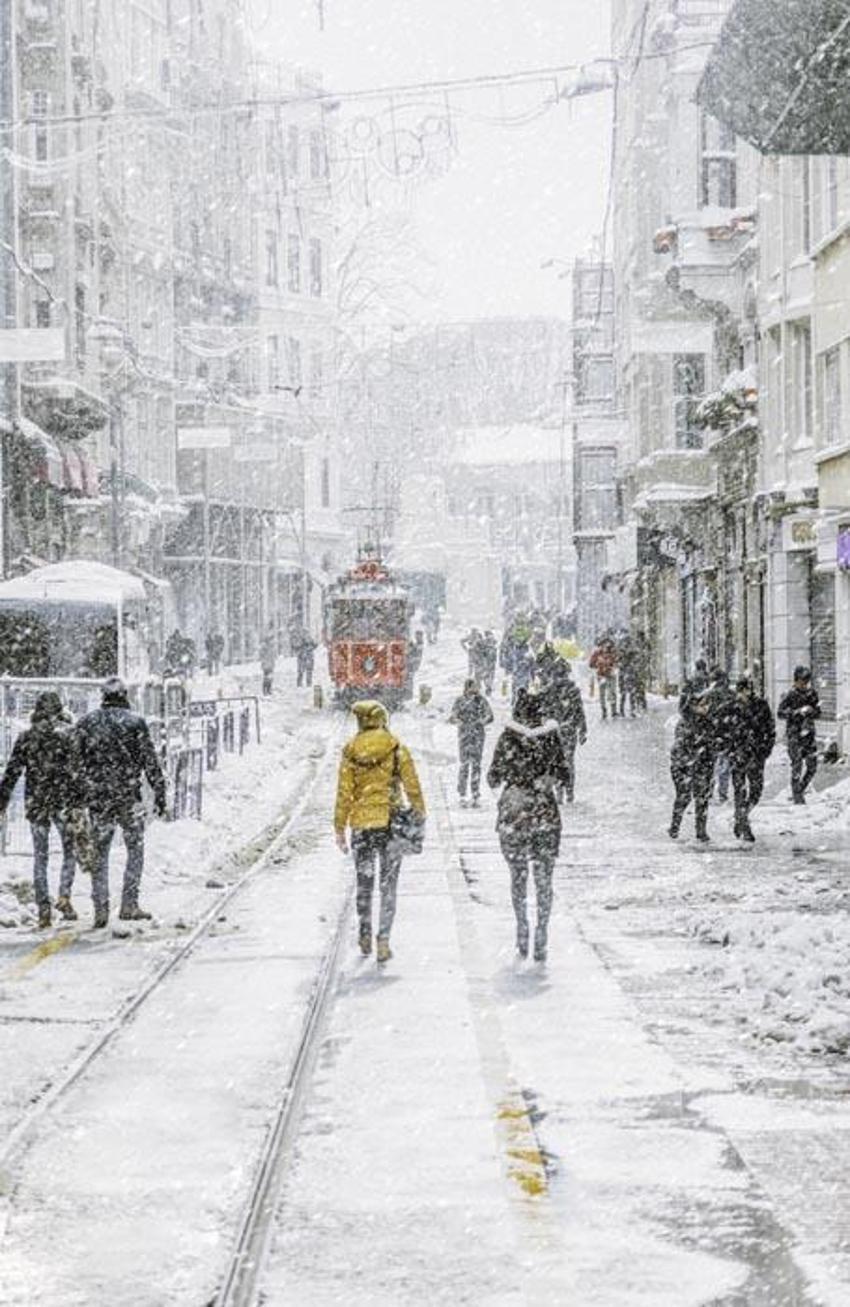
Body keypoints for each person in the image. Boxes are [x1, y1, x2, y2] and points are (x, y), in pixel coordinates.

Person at [334, 700, 425, 964]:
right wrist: (419, 813)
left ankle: (364, 933)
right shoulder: (396, 747)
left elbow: (344, 793)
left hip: (362, 826)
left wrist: (340, 827)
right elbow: (412, 784)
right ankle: (383, 940)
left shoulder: (350, 750)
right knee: (388, 885)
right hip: (390, 824)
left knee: (364, 884)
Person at [73, 678, 167, 928]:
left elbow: (75, 763)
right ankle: (129, 902)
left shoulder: (86, 723)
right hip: (128, 795)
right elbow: (149, 761)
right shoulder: (135, 722)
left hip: (98, 798)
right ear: (124, 695)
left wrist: (78, 793)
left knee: (100, 851)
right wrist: (159, 791)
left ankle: (100, 906)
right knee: (135, 847)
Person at [488, 689, 569, 963]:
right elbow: (565, 775)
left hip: (515, 814)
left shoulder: (508, 738)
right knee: (545, 878)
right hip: (544, 813)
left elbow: (492, 777)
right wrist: (545, 778)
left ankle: (521, 925)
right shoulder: (550, 738)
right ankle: (542, 930)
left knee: (518, 876)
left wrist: (512, 775)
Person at [0, 692, 78, 929]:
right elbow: (77, 771)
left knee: (40, 856)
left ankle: (43, 907)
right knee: (70, 849)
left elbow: (12, 771)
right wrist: (79, 798)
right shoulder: (66, 737)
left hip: (36, 802)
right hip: (62, 801)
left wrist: (2, 800)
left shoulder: (27, 738)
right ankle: (64, 895)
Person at [728, 677, 775, 842]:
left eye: (746, 690)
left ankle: (741, 815)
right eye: (741, 690)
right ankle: (744, 824)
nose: (744, 694)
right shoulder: (732, 707)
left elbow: (769, 728)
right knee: (739, 791)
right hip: (738, 755)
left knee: (756, 790)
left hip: (756, 754)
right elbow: (724, 731)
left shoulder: (760, 705)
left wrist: (766, 749)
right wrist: (731, 750)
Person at [669, 691, 716, 843]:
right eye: (702, 705)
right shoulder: (685, 723)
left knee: (702, 799)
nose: (706, 708)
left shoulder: (708, 722)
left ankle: (701, 831)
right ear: (694, 706)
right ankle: (675, 827)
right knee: (684, 797)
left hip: (702, 766)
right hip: (684, 766)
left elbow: (712, 744)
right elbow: (682, 746)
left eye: (707, 704)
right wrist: (691, 761)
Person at [538, 655, 587, 803]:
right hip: (568, 729)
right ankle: (569, 790)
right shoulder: (573, 690)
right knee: (568, 761)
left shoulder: (548, 691)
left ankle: (559, 790)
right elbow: (580, 711)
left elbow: (541, 712)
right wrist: (582, 730)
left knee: (554, 761)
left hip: (554, 731)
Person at [778, 666, 821, 804]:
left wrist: (811, 711)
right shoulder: (790, 695)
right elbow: (780, 713)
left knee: (812, 766)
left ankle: (800, 789)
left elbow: (818, 712)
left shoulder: (812, 694)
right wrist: (797, 712)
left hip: (809, 735)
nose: (804, 685)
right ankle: (797, 796)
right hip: (794, 734)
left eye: (806, 682)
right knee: (797, 765)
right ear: (796, 681)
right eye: (802, 681)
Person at [449, 679, 494, 807]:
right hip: (464, 736)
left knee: (476, 765)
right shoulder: (460, 701)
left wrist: (481, 722)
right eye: (473, 687)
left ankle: (475, 793)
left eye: (476, 687)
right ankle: (462, 793)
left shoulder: (481, 701)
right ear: (467, 688)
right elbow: (453, 717)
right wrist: (461, 723)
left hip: (478, 736)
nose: (475, 689)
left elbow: (490, 716)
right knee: (464, 765)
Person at [707, 668, 736, 803]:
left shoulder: (710, 694)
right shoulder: (731, 694)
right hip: (727, 734)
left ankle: (709, 791)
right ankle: (722, 793)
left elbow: (706, 714)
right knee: (725, 765)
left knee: (711, 764)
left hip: (713, 733)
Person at [589, 636, 618, 720]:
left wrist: (613, 667)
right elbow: (591, 664)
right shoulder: (597, 653)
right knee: (602, 694)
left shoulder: (613, 653)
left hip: (611, 675)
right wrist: (598, 666)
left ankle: (613, 711)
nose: (606, 646)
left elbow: (617, 662)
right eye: (604, 644)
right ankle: (604, 710)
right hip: (601, 676)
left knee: (612, 692)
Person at [481, 631, 498, 696]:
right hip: (486, 662)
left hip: (490, 662)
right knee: (487, 675)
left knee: (490, 675)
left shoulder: (493, 642)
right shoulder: (484, 642)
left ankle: (489, 686)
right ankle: (488, 686)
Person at [259, 628, 276, 696]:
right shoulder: (265, 647)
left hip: (270, 664)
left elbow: (272, 656)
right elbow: (262, 655)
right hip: (266, 664)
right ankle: (265, 690)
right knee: (266, 677)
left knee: (270, 677)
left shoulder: (271, 647)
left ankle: (269, 689)